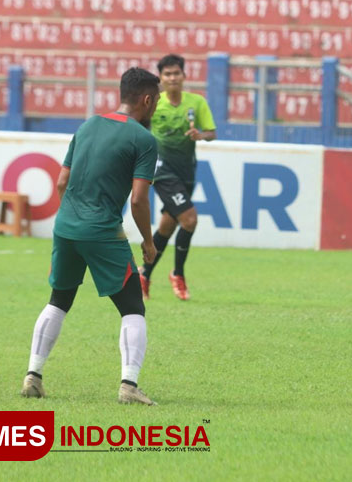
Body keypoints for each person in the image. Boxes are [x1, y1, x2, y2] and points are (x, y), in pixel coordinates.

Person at [21, 67, 161, 406]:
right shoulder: (143, 140)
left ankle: (33, 377)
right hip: (101, 231)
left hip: (66, 225)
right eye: (155, 100)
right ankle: (129, 385)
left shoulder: (88, 125)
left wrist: (75, 216)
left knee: (59, 300)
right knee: (132, 307)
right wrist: (148, 240)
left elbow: (60, 182)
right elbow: (139, 199)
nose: (155, 105)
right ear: (146, 99)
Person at [138, 54, 216, 302]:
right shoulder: (153, 103)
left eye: (176, 73)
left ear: (184, 76)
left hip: (186, 169)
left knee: (167, 226)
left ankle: (144, 273)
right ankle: (178, 274)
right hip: (161, 168)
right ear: (160, 78)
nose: (172, 78)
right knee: (190, 219)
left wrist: (199, 135)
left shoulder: (196, 102)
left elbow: (212, 133)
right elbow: (137, 128)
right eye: (167, 74)